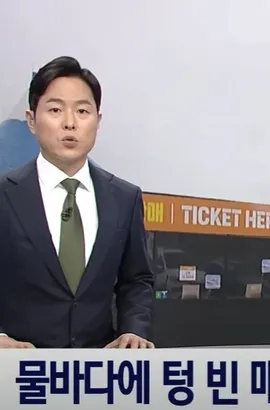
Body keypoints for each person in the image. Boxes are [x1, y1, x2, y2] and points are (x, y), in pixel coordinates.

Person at [0, 56, 154, 348]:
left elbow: (136, 281)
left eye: (82, 111)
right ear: (31, 120)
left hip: (98, 368)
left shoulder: (125, 199)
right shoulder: (4, 195)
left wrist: (133, 330)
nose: (70, 123)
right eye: (55, 110)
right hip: (16, 369)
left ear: (98, 121)